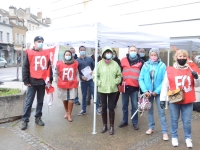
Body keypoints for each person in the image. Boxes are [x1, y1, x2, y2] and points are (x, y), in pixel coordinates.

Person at [160, 49, 200, 148]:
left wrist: (197, 78)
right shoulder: (170, 70)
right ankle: (174, 137)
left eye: (184, 56)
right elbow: (165, 85)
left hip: (188, 99)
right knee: (174, 119)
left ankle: (188, 138)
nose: (182, 58)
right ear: (176, 58)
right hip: (174, 98)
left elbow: (197, 85)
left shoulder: (191, 69)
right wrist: (162, 99)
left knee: (187, 120)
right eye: (180, 56)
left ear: (186, 58)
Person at [21, 36, 53, 130]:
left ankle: (38, 118)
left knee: (40, 102)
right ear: (34, 43)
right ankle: (25, 120)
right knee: (29, 102)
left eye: (42, 41)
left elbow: (49, 67)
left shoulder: (46, 53)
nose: (40, 43)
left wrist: (49, 80)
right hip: (32, 82)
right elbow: (25, 67)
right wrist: (26, 80)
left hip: (42, 82)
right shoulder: (29, 53)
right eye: (39, 41)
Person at [138, 48, 168, 140]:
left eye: (155, 55)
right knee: (149, 111)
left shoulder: (162, 66)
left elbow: (164, 80)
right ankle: (151, 127)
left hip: (159, 92)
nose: (153, 56)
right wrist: (145, 90)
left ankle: (164, 131)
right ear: (150, 55)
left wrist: (156, 91)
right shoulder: (146, 65)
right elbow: (141, 78)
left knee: (161, 112)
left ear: (158, 55)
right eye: (152, 54)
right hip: (148, 92)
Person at [93, 46, 121, 135]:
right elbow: (94, 75)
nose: (108, 54)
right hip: (102, 89)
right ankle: (105, 125)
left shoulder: (115, 64)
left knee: (111, 108)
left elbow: (119, 75)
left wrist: (115, 82)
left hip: (113, 89)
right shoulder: (99, 64)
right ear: (104, 54)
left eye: (110, 53)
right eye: (107, 52)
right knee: (104, 108)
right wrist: (99, 83)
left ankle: (112, 126)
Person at [119, 46, 144, 130]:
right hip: (125, 87)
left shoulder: (141, 62)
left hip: (135, 87)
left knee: (134, 106)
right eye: (131, 50)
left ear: (136, 52)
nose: (132, 51)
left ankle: (135, 122)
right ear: (128, 51)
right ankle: (124, 121)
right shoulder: (123, 60)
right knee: (124, 105)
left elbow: (143, 75)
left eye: (134, 50)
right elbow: (119, 72)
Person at [55, 50, 78, 122]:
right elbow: (56, 73)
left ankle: (69, 114)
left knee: (71, 98)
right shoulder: (59, 64)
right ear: (64, 56)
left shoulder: (75, 63)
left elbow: (77, 73)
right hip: (63, 84)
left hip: (72, 84)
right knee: (64, 98)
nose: (68, 56)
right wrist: (57, 81)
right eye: (66, 55)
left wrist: (77, 81)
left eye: (69, 55)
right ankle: (67, 112)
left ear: (71, 56)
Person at [77, 46, 96, 115]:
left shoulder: (90, 59)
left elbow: (95, 68)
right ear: (79, 51)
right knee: (84, 95)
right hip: (83, 81)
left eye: (84, 50)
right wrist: (81, 76)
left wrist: (93, 72)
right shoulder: (77, 61)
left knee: (94, 94)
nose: (82, 51)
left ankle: (97, 109)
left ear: (85, 50)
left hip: (91, 80)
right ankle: (83, 109)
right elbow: (76, 72)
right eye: (81, 50)